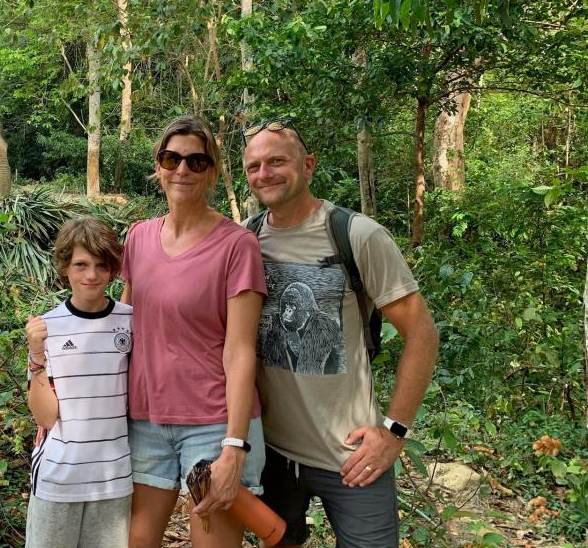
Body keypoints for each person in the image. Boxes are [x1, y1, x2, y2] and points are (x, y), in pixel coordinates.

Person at [242, 119, 439, 548]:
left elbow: (421, 333)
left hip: (349, 454)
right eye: (254, 166)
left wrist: (393, 433)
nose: (265, 173)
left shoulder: (357, 235)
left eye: (277, 161)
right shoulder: (246, 239)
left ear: (308, 165)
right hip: (270, 450)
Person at [122, 115, 267, 548]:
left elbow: (241, 351)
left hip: (213, 423)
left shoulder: (236, 245)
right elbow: (123, 329)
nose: (182, 170)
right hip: (145, 421)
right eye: (172, 158)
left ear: (212, 172)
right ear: (159, 166)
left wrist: (234, 445)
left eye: (196, 161)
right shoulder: (138, 238)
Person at [24, 217, 134, 548]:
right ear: (65, 267)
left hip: (113, 479)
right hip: (59, 477)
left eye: (101, 265)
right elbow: (45, 418)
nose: (91, 275)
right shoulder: (47, 327)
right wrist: (36, 354)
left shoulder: (130, 321)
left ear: (113, 269)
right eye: (81, 264)